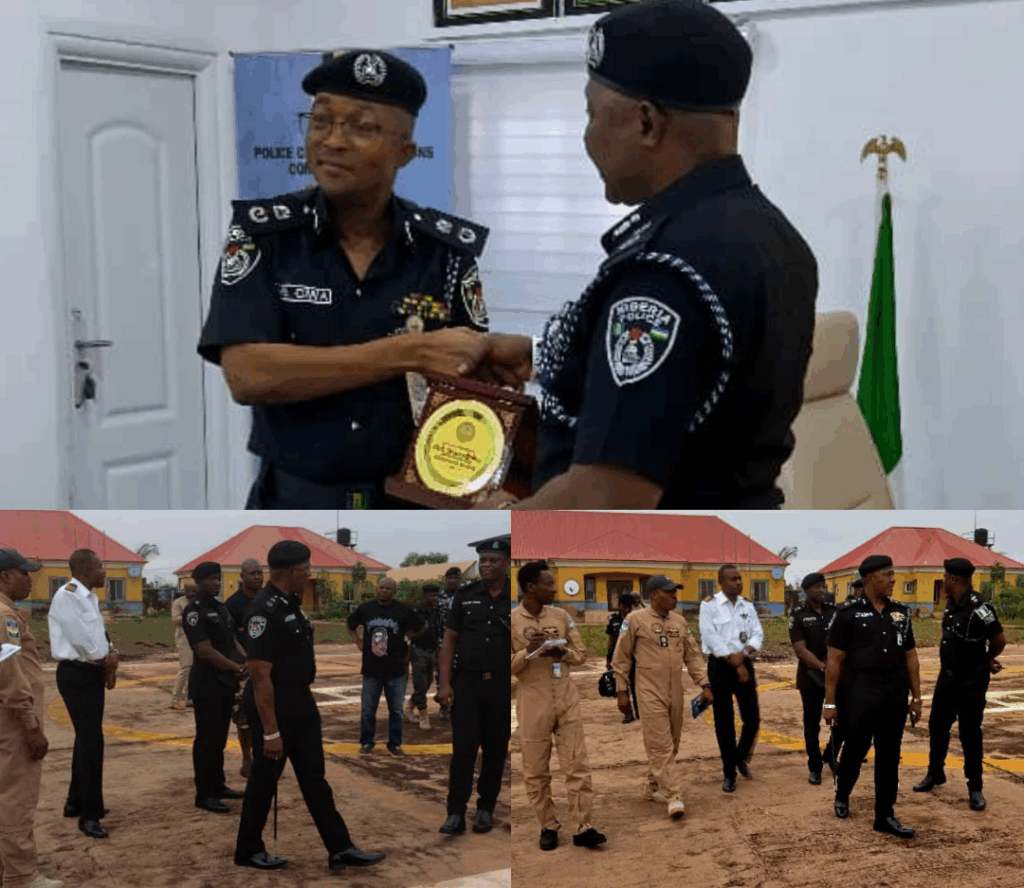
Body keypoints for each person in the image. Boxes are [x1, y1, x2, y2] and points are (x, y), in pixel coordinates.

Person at [479, 0, 817, 509]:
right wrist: (535, 353)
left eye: (592, 114)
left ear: (646, 123)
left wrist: (497, 537)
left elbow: (607, 493)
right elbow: (691, 382)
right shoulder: (769, 234)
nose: (587, 136)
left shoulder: (664, 270)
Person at [197, 49, 496, 509]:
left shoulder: (447, 253)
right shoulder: (264, 237)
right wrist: (405, 353)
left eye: (362, 127)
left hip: (413, 501)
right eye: (320, 122)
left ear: (405, 152)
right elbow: (248, 374)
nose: (333, 141)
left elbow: (473, 381)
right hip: (297, 499)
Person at [235, 540, 385, 872]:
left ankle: (340, 848)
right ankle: (247, 849)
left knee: (315, 779)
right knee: (264, 780)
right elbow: (260, 675)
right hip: (274, 706)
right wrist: (271, 731)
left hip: (300, 702)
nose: (309, 574)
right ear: (289, 571)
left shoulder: (289, 603)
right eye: (305, 569)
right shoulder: (264, 610)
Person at [824, 554, 922, 838]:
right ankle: (842, 794)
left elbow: (911, 655)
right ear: (869, 579)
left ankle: (885, 815)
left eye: (893, 574)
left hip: (894, 693)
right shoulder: (847, 614)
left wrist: (916, 697)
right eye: (887, 575)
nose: (893, 580)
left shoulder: (901, 613)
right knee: (855, 749)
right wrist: (830, 702)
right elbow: (834, 661)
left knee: (890, 756)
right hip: (859, 692)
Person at [513, 561, 606, 850]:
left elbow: (581, 655)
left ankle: (583, 826)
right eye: (549, 584)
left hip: (566, 697)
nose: (554, 589)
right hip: (532, 700)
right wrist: (526, 652)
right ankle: (548, 825)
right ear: (531, 587)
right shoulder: (512, 620)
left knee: (577, 764)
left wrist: (561, 650)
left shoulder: (562, 616)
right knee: (536, 769)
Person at [612, 575, 710, 818]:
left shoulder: (680, 622)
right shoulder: (634, 620)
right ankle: (673, 795)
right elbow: (621, 658)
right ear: (654, 594)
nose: (675, 596)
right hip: (648, 689)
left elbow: (693, 655)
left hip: (675, 689)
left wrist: (705, 684)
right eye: (669, 592)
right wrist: (621, 691)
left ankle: (652, 786)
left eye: (675, 592)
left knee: (672, 742)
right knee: (660, 744)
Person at [913, 558, 1006, 811]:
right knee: (937, 727)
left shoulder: (981, 606)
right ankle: (935, 773)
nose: (943, 581)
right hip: (948, 678)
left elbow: (999, 638)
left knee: (970, 732)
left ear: (954, 579)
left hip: (972, 680)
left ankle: (975, 787)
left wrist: (987, 659)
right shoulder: (951, 604)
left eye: (945, 577)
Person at [437, 538, 512, 835]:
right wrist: (444, 684)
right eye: (483, 561)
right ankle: (455, 811)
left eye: (493, 560)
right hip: (467, 685)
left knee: (495, 752)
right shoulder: (465, 595)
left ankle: (485, 809)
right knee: (463, 751)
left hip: (501, 687)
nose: (486, 566)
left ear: (506, 563)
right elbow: (449, 640)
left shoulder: (513, 598)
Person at [0, 549, 64, 888]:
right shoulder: (4, 617)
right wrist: (30, 725)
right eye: (26, 573)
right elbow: (8, 672)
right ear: (7, 576)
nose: (30, 580)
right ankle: (21, 875)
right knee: (17, 797)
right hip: (12, 722)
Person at [48, 549, 118, 839]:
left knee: (85, 738)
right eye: (101, 567)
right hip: (77, 673)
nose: (105, 572)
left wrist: (109, 655)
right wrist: (106, 660)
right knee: (92, 742)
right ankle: (90, 815)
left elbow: (99, 635)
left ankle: (75, 802)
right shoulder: (68, 595)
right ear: (87, 569)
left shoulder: (88, 597)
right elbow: (81, 639)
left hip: (90, 671)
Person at [182, 562, 249, 813]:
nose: (216, 583)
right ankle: (204, 794)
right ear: (198, 582)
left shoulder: (220, 608)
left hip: (224, 682)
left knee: (219, 738)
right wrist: (235, 667)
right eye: (211, 579)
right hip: (207, 683)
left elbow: (232, 640)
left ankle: (218, 785)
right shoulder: (194, 611)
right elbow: (205, 650)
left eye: (218, 579)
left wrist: (245, 661)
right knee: (206, 740)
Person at [699, 565, 763, 793]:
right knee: (724, 723)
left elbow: (758, 633)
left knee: (753, 719)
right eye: (733, 579)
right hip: (720, 666)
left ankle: (739, 757)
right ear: (721, 582)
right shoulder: (709, 605)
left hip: (743, 661)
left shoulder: (747, 605)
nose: (738, 582)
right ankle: (729, 774)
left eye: (739, 578)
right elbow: (709, 636)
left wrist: (743, 655)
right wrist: (733, 660)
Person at [346, 577, 425, 756]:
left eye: (388, 588)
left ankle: (394, 744)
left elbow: (421, 626)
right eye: (381, 587)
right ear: (377, 589)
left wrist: (407, 637)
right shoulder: (366, 608)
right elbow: (350, 624)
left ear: (394, 591)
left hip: (396, 669)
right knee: (367, 710)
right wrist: (357, 640)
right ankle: (367, 742)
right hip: (371, 669)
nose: (384, 591)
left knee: (396, 710)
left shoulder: (403, 609)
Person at [788, 572, 838, 785]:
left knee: (840, 720)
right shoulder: (798, 616)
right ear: (806, 590)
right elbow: (800, 650)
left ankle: (830, 756)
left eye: (823, 586)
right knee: (811, 724)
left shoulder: (835, 613)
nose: (821, 590)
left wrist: (833, 668)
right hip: (810, 678)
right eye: (816, 587)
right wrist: (822, 666)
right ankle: (815, 766)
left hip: (835, 677)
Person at [224, 558, 264, 777]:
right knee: (244, 717)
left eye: (259, 572)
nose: (256, 577)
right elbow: (231, 637)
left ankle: (266, 756)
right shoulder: (232, 604)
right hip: (244, 667)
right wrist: (248, 659)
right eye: (251, 573)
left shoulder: (270, 600)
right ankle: (247, 756)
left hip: (269, 668)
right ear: (242, 576)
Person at [406, 583, 442, 730]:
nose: (435, 598)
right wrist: (421, 632)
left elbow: (438, 633)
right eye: (432, 595)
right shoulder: (416, 612)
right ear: (424, 596)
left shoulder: (437, 612)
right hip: (418, 650)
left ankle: (409, 706)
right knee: (420, 683)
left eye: (437, 595)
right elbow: (409, 634)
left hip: (432, 650)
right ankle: (423, 714)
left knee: (428, 682)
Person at [605, 592, 639, 723]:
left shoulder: (637, 619)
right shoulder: (613, 619)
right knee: (621, 687)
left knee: (637, 687)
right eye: (624, 607)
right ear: (619, 606)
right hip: (618, 660)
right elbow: (611, 640)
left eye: (629, 607)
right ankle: (628, 713)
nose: (627, 610)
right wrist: (608, 659)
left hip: (635, 659)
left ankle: (639, 711)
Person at [436, 566, 462, 721]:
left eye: (455, 578)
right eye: (449, 578)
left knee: (460, 674)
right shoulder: (440, 597)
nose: (452, 581)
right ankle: (444, 707)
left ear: (459, 579)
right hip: (443, 640)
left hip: (462, 642)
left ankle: (459, 706)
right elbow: (437, 620)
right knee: (442, 673)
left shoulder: (465, 595)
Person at [170, 583, 197, 710]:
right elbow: (175, 620)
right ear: (185, 592)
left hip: (197, 638)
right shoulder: (178, 603)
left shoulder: (198, 601)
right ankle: (175, 698)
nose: (193, 594)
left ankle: (189, 697)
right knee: (186, 667)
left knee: (195, 669)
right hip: (184, 637)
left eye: (194, 591)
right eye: (190, 591)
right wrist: (191, 618)